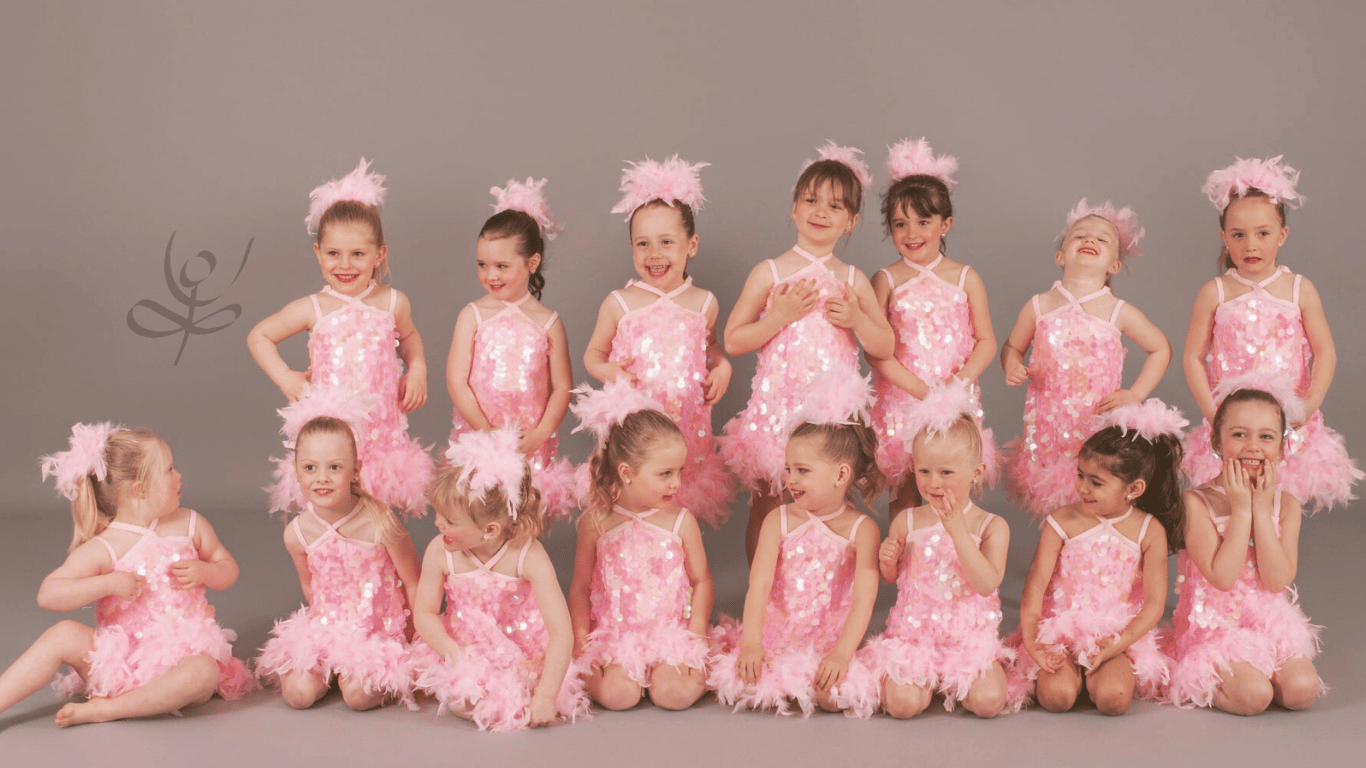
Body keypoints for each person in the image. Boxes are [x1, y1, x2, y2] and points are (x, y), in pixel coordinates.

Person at [0, 424, 255, 726]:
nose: (179, 476)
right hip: (118, 666)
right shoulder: (107, 545)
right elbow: (48, 595)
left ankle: (108, 710)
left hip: (181, 660)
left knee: (204, 672)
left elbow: (228, 568)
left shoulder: (190, 524)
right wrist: (106, 583)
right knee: (63, 634)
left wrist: (207, 571)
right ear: (140, 489)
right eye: (169, 470)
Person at [722, 141, 894, 561]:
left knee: (832, 508)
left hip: (828, 417)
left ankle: (821, 591)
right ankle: (763, 592)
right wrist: (777, 318)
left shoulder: (852, 279)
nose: (821, 212)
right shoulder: (770, 272)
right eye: (811, 200)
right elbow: (733, 339)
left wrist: (858, 320)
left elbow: (885, 345)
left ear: (851, 221)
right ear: (794, 208)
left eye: (835, 206)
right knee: (768, 506)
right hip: (777, 408)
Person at [248, 158, 433, 516]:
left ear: (379, 254)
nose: (344, 265)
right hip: (332, 438)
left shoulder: (393, 303)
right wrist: (284, 376)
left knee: (379, 518)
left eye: (357, 254)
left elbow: (410, 338)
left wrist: (419, 368)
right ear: (318, 253)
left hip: (382, 432)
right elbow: (260, 335)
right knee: (335, 512)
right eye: (333, 254)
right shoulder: (314, 308)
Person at [1182, 156, 1359, 509]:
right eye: (1238, 235)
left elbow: (1325, 352)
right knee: (1231, 505)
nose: (1250, 245)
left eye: (1262, 233)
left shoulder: (1299, 289)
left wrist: (1308, 407)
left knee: (1279, 508)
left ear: (1282, 235)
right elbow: (1192, 357)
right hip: (1233, 423)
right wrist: (1214, 415)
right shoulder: (1215, 292)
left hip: (1284, 423)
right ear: (1224, 238)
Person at [710, 371, 882, 718]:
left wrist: (841, 653)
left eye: (802, 470)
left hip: (829, 639)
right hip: (779, 634)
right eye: (788, 469)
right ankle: (774, 665)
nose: (791, 480)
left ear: (841, 475)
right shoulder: (779, 520)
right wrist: (751, 643)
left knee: (834, 698)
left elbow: (863, 599)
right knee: (747, 687)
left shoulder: (862, 529)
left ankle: (825, 668)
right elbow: (759, 586)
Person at [583, 155, 734, 526]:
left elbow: (711, 346)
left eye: (666, 242)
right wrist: (608, 371)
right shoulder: (620, 303)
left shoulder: (704, 303)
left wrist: (723, 365)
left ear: (691, 245)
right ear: (631, 247)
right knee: (630, 513)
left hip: (686, 424)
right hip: (636, 430)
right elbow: (592, 355)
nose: (654, 255)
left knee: (677, 516)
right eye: (643, 244)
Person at [1009, 403, 1185, 715]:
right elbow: (1034, 589)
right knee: (1056, 698)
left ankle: (1103, 673)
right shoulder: (1062, 520)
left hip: (1114, 634)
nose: (1083, 488)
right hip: (1061, 630)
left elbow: (1154, 604)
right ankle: (1070, 677)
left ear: (1134, 488)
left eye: (1096, 482)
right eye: (1080, 475)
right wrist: (1035, 644)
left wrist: (1119, 642)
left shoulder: (1149, 530)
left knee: (1114, 699)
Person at [1001, 199, 1171, 516]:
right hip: (1048, 430)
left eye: (1102, 239)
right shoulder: (1039, 305)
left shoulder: (1118, 311)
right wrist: (1012, 364)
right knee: (1055, 508)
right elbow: (1012, 346)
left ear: (1114, 266)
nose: (1089, 239)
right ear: (1060, 256)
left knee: (1094, 499)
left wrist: (1136, 393)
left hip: (1095, 426)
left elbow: (1160, 348)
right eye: (1079, 235)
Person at [412, 428, 587, 731]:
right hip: (463, 646)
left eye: (450, 520)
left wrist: (547, 695)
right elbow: (424, 612)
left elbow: (561, 630)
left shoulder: (528, 555)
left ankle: (521, 696)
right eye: (438, 514)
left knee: (526, 692)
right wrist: (453, 653)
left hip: (522, 648)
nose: (438, 523)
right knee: (468, 699)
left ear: (490, 530)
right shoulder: (440, 550)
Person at [1166, 379, 1323, 714]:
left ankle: (1262, 671)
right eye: (1239, 434)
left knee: (1302, 691)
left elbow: (1276, 581)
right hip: (1215, 628)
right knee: (1254, 696)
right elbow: (1223, 578)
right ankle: (1199, 680)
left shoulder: (1286, 504)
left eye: (1266, 437)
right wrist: (1240, 510)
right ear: (1216, 441)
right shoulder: (1195, 502)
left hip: (1267, 624)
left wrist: (1261, 512)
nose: (1253, 446)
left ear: (1281, 447)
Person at [860, 383, 1015, 718]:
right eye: (924, 471)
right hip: (915, 637)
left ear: (976, 473)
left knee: (988, 702)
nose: (933, 483)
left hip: (969, 639)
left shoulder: (991, 525)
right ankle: (922, 683)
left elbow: (987, 584)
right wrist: (888, 562)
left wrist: (959, 531)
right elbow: (893, 579)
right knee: (902, 706)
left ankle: (961, 680)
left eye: (946, 472)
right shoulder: (908, 520)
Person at [255, 412, 421, 710]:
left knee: (357, 696)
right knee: (298, 694)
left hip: (376, 631)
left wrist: (412, 635)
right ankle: (331, 669)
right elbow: (310, 586)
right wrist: (326, 634)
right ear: (296, 470)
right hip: (328, 626)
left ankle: (356, 677)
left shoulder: (380, 523)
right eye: (310, 468)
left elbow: (413, 580)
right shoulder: (297, 534)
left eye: (334, 467)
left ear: (355, 469)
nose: (322, 478)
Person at [566, 381, 714, 711]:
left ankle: (678, 674)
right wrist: (580, 635)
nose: (676, 483)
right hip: (616, 637)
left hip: (670, 633)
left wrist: (697, 632)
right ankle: (607, 676)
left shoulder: (680, 521)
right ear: (626, 472)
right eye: (665, 474)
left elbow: (701, 580)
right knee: (619, 696)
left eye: (679, 471)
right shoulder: (596, 522)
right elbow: (580, 586)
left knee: (673, 695)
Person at [869, 137, 998, 512]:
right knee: (906, 492)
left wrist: (959, 382)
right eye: (900, 224)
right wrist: (921, 391)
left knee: (950, 490)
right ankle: (902, 550)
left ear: (946, 224)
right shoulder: (886, 279)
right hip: (903, 398)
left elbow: (986, 340)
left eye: (923, 222)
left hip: (954, 397)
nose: (912, 234)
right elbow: (876, 351)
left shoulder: (966, 278)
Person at [447, 177, 577, 519]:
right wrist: (483, 429)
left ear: (531, 263)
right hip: (480, 437)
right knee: (479, 517)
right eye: (482, 265)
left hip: (529, 441)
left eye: (502, 266)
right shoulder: (472, 316)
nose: (490, 275)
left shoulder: (548, 323)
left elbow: (562, 386)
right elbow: (457, 380)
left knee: (524, 519)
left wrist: (541, 434)